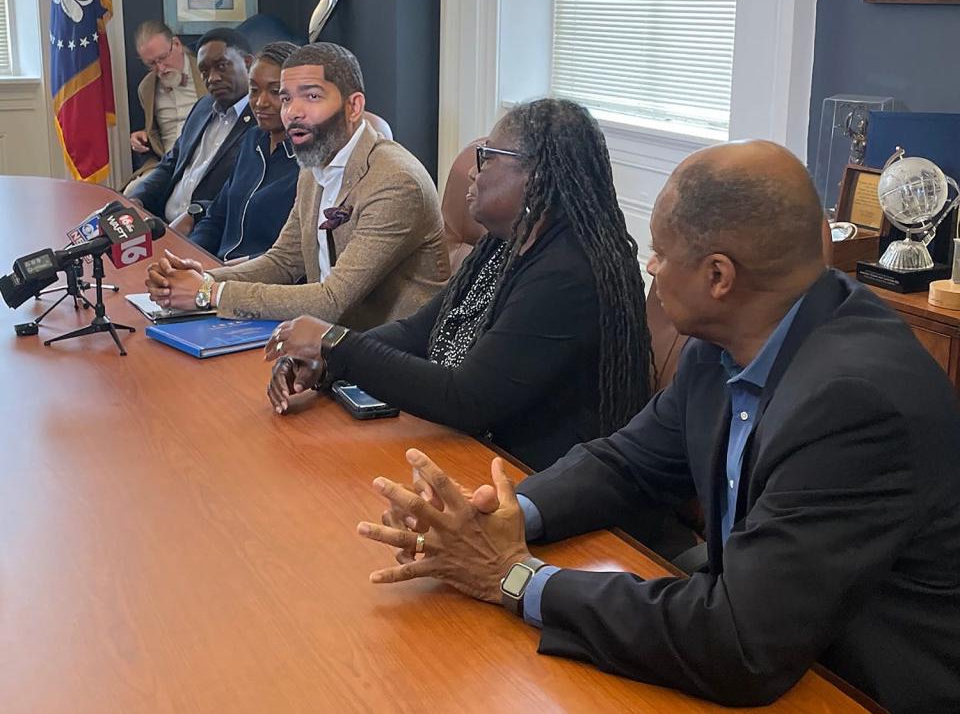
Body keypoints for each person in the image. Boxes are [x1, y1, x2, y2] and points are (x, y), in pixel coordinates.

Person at [356, 141, 960, 714]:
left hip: (861, 685)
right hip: (782, 641)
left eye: (662, 253)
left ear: (718, 277)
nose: (651, 267)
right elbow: (627, 461)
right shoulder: (731, 337)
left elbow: (739, 642)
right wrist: (494, 516)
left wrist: (516, 577)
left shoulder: (853, 404)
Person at [264, 98, 654, 473]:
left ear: (536, 174)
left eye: (488, 157)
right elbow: (418, 331)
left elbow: (468, 398)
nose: (472, 170)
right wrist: (323, 362)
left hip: (529, 476)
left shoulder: (569, 273)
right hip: (475, 451)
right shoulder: (507, 242)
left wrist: (336, 343)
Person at [144, 42, 448, 330]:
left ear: (353, 106)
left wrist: (210, 293)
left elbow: (333, 300)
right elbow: (283, 261)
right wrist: (201, 277)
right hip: (325, 341)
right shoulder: (314, 165)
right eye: (287, 97)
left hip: (384, 357)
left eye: (312, 96)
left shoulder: (396, 182)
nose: (292, 112)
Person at [175, 41, 396, 263]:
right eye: (253, 90)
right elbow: (217, 215)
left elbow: (305, 251)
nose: (260, 103)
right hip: (219, 271)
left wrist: (231, 273)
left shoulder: (313, 157)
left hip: (263, 280)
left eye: (276, 93)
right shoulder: (252, 139)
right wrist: (189, 257)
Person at [127, 28, 256, 223]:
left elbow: (238, 198)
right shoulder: (203, 107)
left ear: (247, 63)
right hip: (162, 221)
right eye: (204, 71)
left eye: (222, 66)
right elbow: (171, 163)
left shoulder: (261, 121)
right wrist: (137, 199)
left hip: (203, 231)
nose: (212, 78)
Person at [124, 20, 206, 191]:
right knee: (133, 192)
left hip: (203, 159)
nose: (161, 68)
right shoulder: (146, 89)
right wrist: (142, 136)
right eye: (151, 64)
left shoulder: (207, 75)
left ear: (176, 44)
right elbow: (155, 132)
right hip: (166, 164)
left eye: (163, 58)